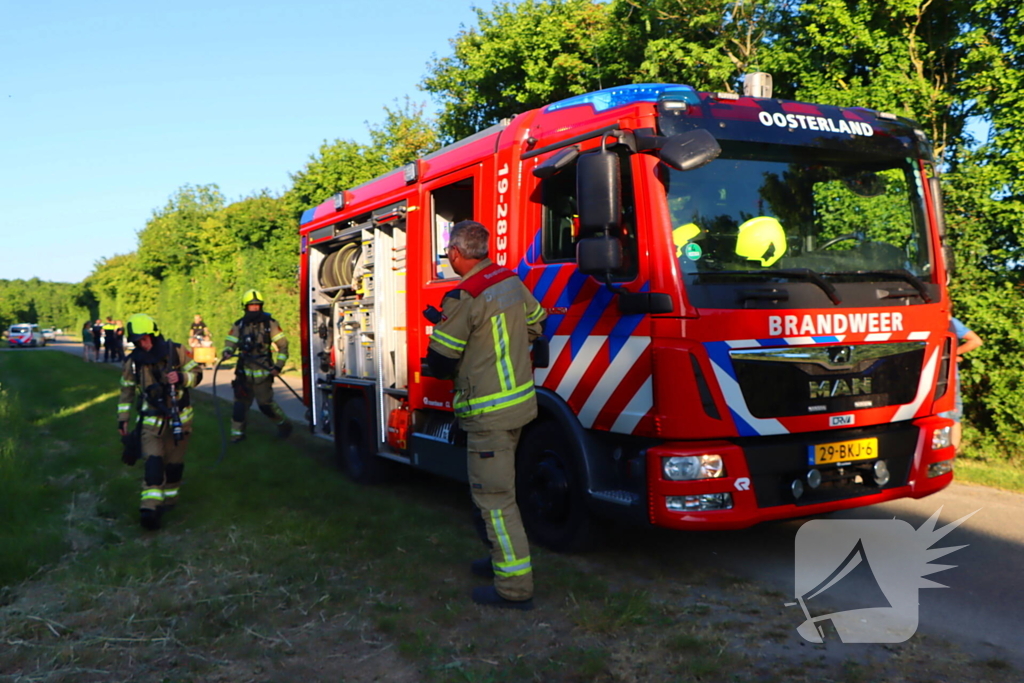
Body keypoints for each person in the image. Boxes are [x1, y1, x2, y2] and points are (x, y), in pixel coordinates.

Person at [424, 220, 547, 610]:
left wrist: (444, 333)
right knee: (502, 494)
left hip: (488, 414)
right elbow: (537, 323)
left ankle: (514, 588)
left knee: (494, 501)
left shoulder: (465, 295)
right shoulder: (509, 281)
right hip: (519, 407)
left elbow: (441, 361)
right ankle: (498, 561)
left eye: (448, 254)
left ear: (457, 254)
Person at [117, 314, 203, 530]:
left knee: (174, 466)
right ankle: (149, 510)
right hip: (151, 422)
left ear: (154, 335)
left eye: (145, 339)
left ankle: (170, 501)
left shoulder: (176, 351)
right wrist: (123, 420)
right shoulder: (132, 362)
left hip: (180, 421)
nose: (142, 344)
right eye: (137, 341)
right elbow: (126, 392)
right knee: (153, 466)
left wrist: (182, 378)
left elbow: (197, 373)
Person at [221, 290, 292, 443]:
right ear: (245, 307)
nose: (254, 308)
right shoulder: (239, 324)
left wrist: (278, 366)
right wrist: (227, 351)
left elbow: (283, 345)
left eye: (257, 305)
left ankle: (284, 425)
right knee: (240, 406)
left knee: (265, 405)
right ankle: (237, 436)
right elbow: (230, 342)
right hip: (243, 373)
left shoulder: (270, 324)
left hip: (264, 373)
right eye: (251, 306)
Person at [943, 315, 983, 451]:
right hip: (950, 376)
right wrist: (953, 354)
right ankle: (951, 455)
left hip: (940, 377)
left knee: (944, 415)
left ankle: (945, 454)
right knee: (954, 415)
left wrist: (952, 354)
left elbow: (976, 341)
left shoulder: (941, 320)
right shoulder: (951, 321)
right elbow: (976, 341)